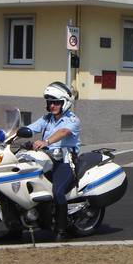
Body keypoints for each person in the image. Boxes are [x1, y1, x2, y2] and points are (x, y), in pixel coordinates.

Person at [28, 81, 81, 241]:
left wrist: (47, 142)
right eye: (50, 103)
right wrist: (7, 136)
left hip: (64, 162)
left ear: (64, 103)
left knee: (57, 192)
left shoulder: (72, 120)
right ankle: (16, 226)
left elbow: (63, 132)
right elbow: (30, 128)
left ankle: (61, 230)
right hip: (46, 160)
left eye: (56, 102)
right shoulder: (47, 119)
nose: (52, 106)